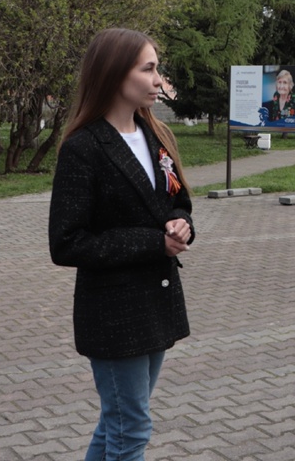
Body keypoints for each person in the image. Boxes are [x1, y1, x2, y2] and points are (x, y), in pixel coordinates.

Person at [49, 28, 194, 461]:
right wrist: (154, 243)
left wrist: (182, 225)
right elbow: (67, 243)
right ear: (115, 74)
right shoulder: (84, 148)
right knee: (131, 427)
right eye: (148, 69)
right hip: (114, 312)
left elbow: (177, 201)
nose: (158, 80)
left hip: (155, 301)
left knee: (118, 421)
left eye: (157, 69)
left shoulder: (157, 136)